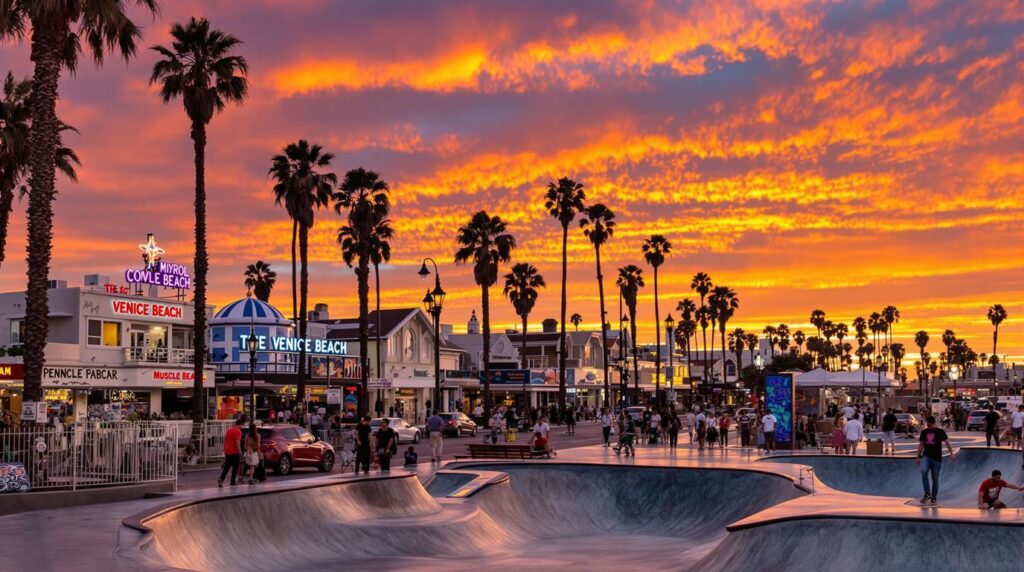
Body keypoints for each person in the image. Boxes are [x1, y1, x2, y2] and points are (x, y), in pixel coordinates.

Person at [917, 415, 956, 505]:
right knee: (924, 472)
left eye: (930, 425)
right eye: (927, 425)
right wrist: (918, 457)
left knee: (935, 478)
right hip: (926, 456)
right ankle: (927, 493)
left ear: (934, 424)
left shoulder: (940, 432)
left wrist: (951, 453)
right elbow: (921, 445)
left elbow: (947, 443)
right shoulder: (924, 432)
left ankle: (934, 497)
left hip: (937, 458)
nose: (929, 427)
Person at [218, 418, 244, 487]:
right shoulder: (238, 431)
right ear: (240, 424)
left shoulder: (229, 430)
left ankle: (221, 479)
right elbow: (237, 442)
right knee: (235, 468)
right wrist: (240, 451)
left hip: (228, 451)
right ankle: (232, 481)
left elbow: (226, 440)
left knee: (226, 467)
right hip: (235, 452)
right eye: (241, 425)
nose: (241, 427)